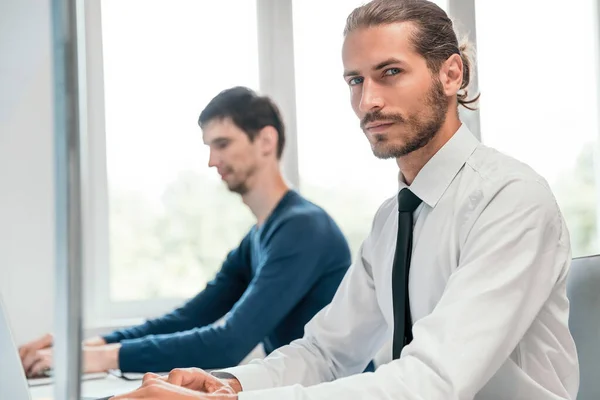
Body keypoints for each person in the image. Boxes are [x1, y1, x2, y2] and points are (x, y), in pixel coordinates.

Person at [111, 0, 580, 399]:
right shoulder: (392, 221)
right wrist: (228, 384)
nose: (367, 101)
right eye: (355, 81)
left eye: (390, 73)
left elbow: (432, 380)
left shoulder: (510, 200)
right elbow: (327, 352)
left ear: (451, 74)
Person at [19, 86, 352, 376]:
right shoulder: (256, 240)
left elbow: (229, 343)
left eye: (222, 144)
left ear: (266, 140)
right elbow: (188, 318)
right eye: (209, 146)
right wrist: (88, 346)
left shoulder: (303, 228)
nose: (211, 160)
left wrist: (96, 359)